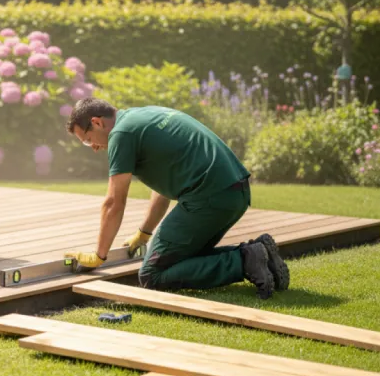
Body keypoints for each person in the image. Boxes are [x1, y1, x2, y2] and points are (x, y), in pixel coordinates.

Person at [63, 98, 288, 298]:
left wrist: (99, 255)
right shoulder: (143, 115)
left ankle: (244, 260)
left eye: (87, 139)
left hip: (208, 197)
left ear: (97, 122)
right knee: (182, 256)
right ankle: (261, 254)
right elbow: (162, 190)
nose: (92, 147)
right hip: (234, 191)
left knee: (153, 274)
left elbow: (113, 202)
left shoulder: (121, 134)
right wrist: (144, 233)